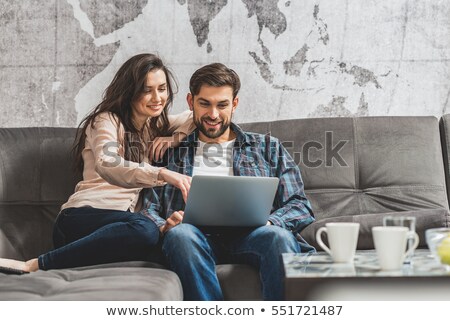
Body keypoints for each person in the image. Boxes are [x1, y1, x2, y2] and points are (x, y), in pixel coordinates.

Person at [0, 53, 195, 273]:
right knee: (145, 228)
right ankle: (36, 264)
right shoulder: (106, 121)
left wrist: (174, 137)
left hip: (118, 230)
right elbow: (109, 163)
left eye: (162, 88)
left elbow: (197, 115)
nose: (157, 97)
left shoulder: (154, 127)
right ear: (130, 91)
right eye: (146, 90)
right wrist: (162, 174)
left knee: (167, 245)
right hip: (80, 220)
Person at [140, 63, 315, 300]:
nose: (213, 114)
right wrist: (164, 226)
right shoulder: (170, 152)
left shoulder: (267, 147)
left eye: (222, 105)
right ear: (191, 102)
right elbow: (147, 208)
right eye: (205, 104)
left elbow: (299, 205)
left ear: (234, 104)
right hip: (194, 239)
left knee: (279, 237)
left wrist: (272, 222)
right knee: (181, 235)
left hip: (254, 236)